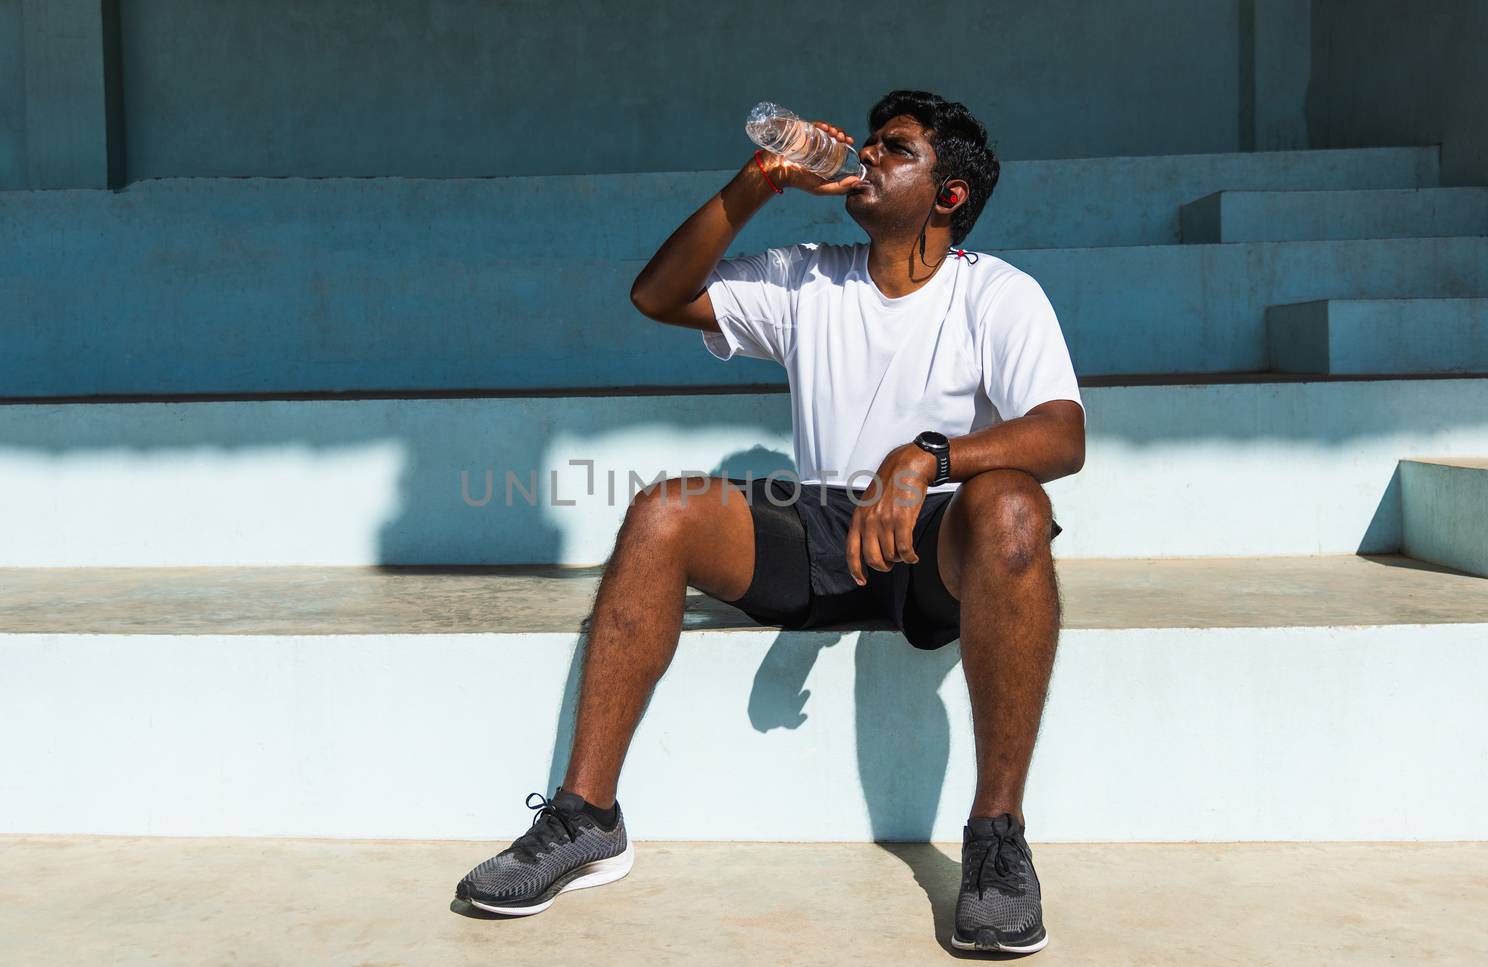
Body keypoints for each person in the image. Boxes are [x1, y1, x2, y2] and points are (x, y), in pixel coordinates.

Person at [455, 90, 1085, 956]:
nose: (866, 156)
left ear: (948, 197)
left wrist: (929, 456)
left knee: (1015, 503)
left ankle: (997, 839)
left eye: (895, 149)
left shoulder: (1000, 294)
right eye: (867, 142)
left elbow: (1062, 432)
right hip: (821, 525)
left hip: (934, 540)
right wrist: (761, 180)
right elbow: (658, 295)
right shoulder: (806, 274)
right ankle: (585, 816)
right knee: (662, 511)